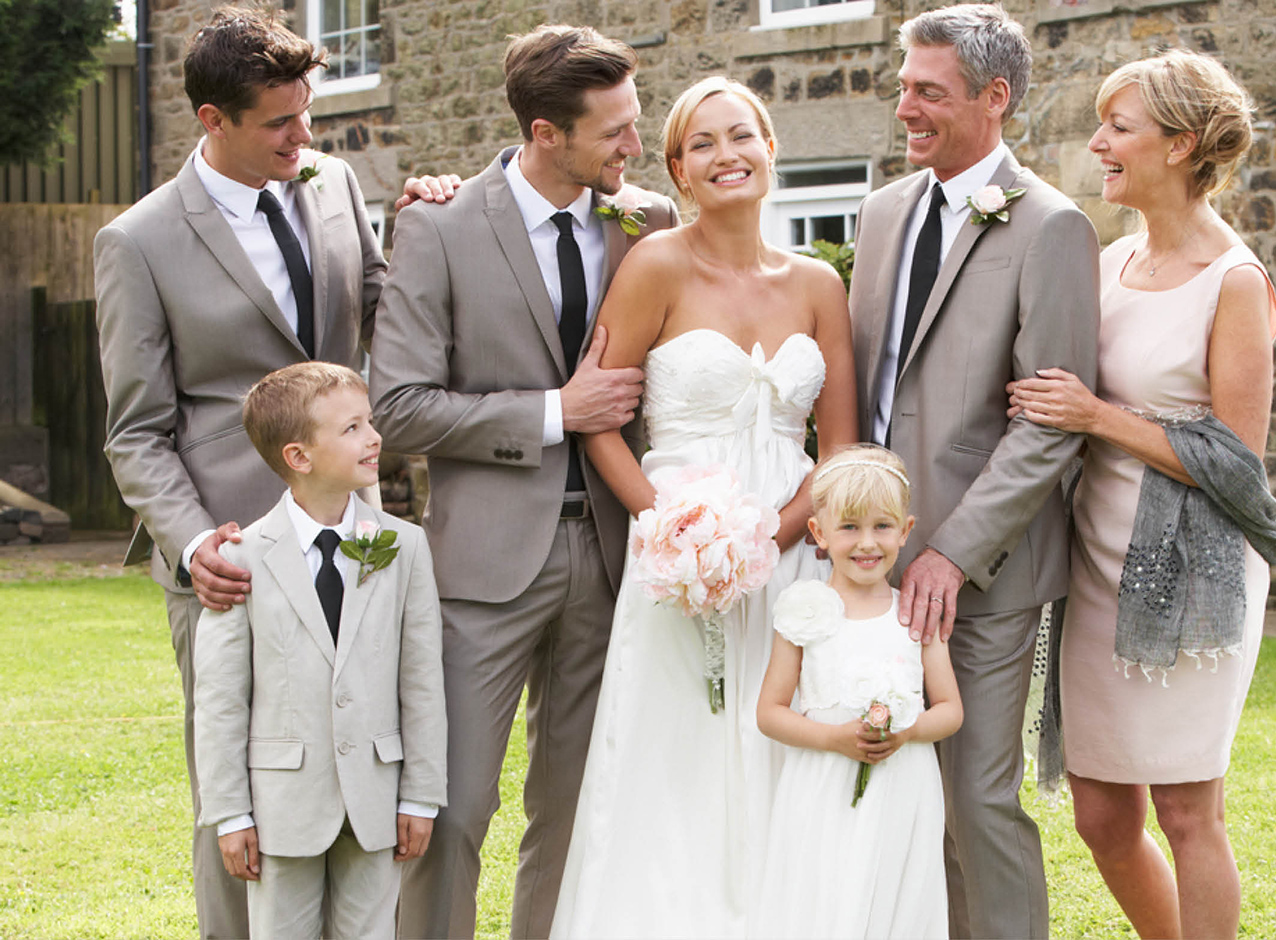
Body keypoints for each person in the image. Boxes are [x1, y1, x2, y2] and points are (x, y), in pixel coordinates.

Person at [366, 25, 680, 940]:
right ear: (546, 133)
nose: (635, 143)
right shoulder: (438, 225)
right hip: (485, 564)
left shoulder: (648, 222)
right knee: (452, 807)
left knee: (578, 810)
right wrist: (556, 411)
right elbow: (398, 409)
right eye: (615, 129)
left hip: (622, 557)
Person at [94, 9, 393, 934]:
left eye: (308, 115)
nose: (305, 139)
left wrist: (436, 212)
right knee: (237, 800)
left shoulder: (336, 183)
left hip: (359, 543)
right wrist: (194, 551)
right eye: (280, 123)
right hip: (230, 564)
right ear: (211, 120)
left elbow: (388, 307)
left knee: (367, 773)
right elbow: (136, 432)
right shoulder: (137, 243)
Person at [549, 76, 857, 938]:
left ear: (770, 149)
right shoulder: (655, 265)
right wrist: (674, 529)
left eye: (742, 136)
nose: (728, 156)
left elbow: (839, 449)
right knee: (670, 762)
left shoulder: (818, 286)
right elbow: (598, 418)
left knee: (777, 759)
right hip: (674, 562)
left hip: (790, 558)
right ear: (679, 170)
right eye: (703, 144)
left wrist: (770, 535)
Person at [1008, 49, 1276, 940]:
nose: (1098, 143)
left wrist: (1097, 414)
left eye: (1119, 128)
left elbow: (1237, 462)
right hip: (1096, 563)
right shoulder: (1109, 261)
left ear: (1182, 144)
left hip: (1192, 574)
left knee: (1186, 809)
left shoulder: (1234, 282)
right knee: (1099, 815)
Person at [847, 5, 1100, 936]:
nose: (903, 107)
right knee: (885, 796)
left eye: (928, 91)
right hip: (866, 564)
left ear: (995, 98)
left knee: (976, 803)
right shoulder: (880, 213)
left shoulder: (1054, 226)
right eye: (903, 85)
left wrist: (952, 553)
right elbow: (867, 383)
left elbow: (1051, 427)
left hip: (982, 574)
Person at [192, 362, 446, 938]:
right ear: (298, 457)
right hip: (283, 806)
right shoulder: (238, 558)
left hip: (376, 800)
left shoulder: (403, 547)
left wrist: (422, 797)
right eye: (352, 428)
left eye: (370, 422)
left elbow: (422, 680)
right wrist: (231, 813)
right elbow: (221, 699)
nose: (374, 437)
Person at [753, 445, 963, 939]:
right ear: (819, 533)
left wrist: (907, 730)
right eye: (849, 527)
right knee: (827, 896)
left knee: (896, 896)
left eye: (882, 526)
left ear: (906, 530)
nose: (867, 543)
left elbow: (951, 709)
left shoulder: (914, 615)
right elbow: (770, 712)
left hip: (903, 786)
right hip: (822, 786)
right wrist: (834, 738)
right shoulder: (804, 611)